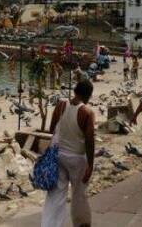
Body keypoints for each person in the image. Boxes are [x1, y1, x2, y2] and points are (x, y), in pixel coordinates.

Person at [42, 80, 96, 227]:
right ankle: (81, 224)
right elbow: (89, 140)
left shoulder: (61, 105)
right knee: (79, 193)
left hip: (59, 155)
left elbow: (52, 129)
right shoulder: (87, 112)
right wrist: (90, 165)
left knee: (55, 195)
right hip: (77, 158)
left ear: (75, 91)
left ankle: (49, 224)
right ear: (88, 95)